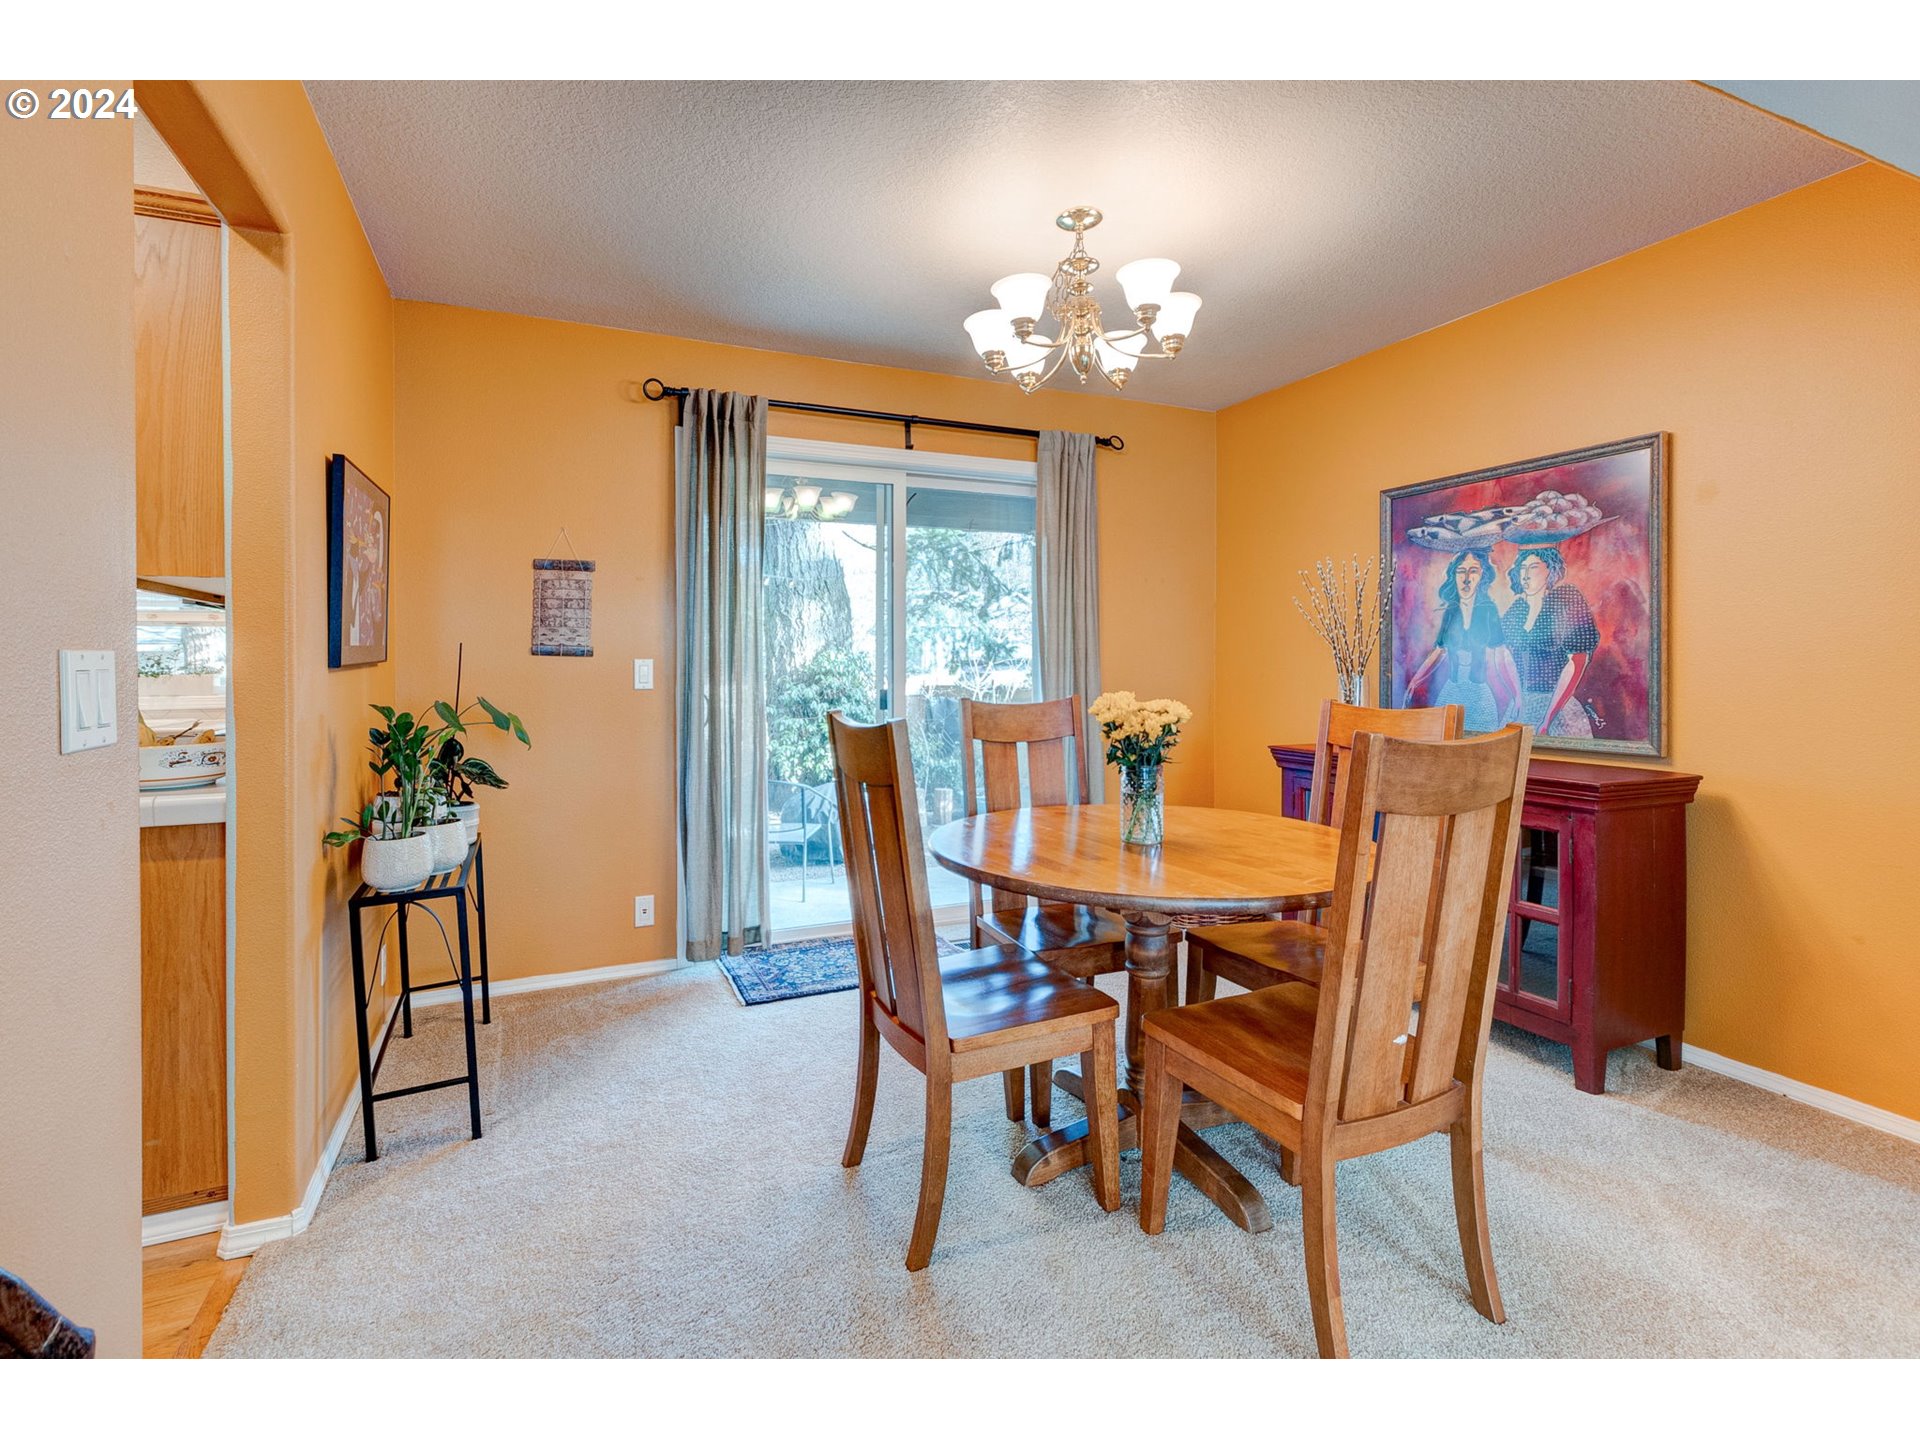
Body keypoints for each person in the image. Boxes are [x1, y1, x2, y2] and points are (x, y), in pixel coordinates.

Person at [1402, 549, 1518, 731]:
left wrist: (1517, 695)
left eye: (1473, 571)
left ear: (1482, 576)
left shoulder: (1488, 609)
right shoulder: (1451, 611)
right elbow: (1439, 651)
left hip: (1479, 698)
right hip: (1451, 696)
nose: (1466, 578)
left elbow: (1501, 656)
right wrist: (1415, 682)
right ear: (1454, 575)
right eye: (1461, 571)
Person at [1501, 546, 1599, 738]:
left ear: (1550, 570)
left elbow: (1577, 661)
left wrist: (1547, 720)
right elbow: (1506, 657)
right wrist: (1518, 699)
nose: (1526, 575)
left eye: (1534, 567)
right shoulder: (1516, 611)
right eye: (1523, 568)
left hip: (1558, 707)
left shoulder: (1565, 600)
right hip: (1522, 706)